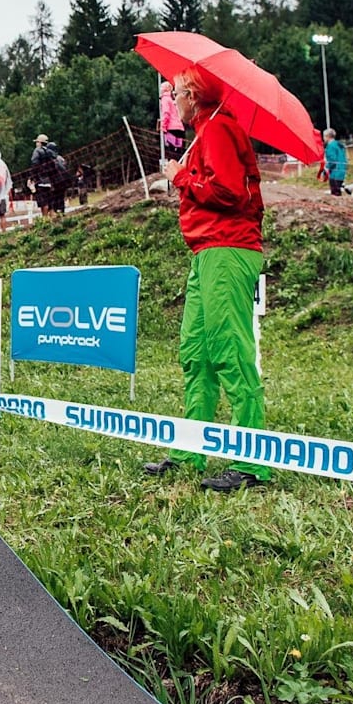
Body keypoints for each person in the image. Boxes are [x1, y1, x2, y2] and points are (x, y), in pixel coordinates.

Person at [146, 67, 270, 492]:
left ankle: (251, 463)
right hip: (205, 252)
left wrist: (179, 176)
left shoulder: (218, 129)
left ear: (194, 96)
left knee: (229, 351)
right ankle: (189, 451)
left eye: (176, 92)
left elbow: (230, 193)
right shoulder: (206, 130)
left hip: (228, 248)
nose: (172, 100)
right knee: (196, 352)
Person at [30, 135, 60, 216]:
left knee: (44, 204)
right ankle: (52, 220)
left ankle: (45, 220)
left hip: (40, 181)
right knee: (50, 204)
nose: (36, 143)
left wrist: (32, 177)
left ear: (40, 143)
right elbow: (54, 167)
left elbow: (34, 164)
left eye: (37, 142)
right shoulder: (50, 153)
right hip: (49, 181)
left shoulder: (37, 151)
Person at [323, 128, 347, 196]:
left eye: (324, 136)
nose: (323, 139)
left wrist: (326, 168)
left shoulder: (330, 146)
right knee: (338, 192)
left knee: (335, 193)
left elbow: (332, 160)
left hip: (335, 173)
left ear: (327, 136)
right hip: (342, 170)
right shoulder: (339, 144)